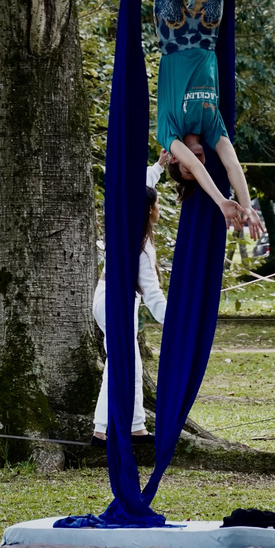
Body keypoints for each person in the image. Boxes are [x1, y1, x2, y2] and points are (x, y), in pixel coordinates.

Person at [138, 0, 265, 238]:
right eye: (200, 161)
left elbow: (198, 171)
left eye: (193, 162)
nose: (200, 159)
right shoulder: (212, 126)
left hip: (174, 34)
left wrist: (219, 201)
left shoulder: (169, 132)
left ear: (179, 163)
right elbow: (233, 165)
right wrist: (245, 207)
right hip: (207, 32)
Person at [92, 183, 167, 446]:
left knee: (130, 367)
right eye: (157, 204)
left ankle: (136, 428)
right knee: (118, 367)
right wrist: (178, 323)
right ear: (148, 210)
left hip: (110, 300)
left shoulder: (125, 233)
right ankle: (100, 431)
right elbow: (154, 296)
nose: (159, 209)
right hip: (116, 305)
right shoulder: (142, 248)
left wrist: (157, 168)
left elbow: (141, 181)